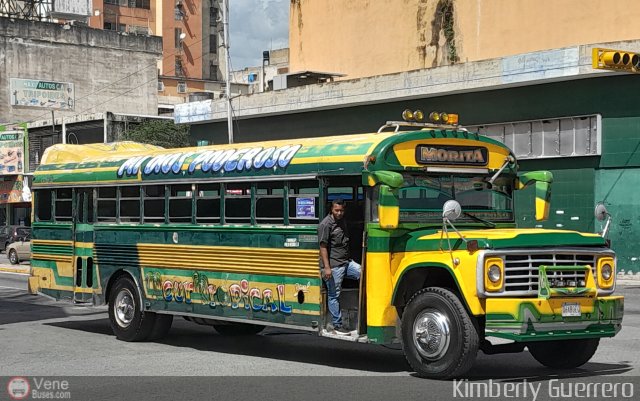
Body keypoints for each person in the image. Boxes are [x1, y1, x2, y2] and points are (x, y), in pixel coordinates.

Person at [318, 198, 361, 334]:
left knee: (363, 274)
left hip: (346, 262)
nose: (339, 213)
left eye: (341, 210)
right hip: (334, 265)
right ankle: (337, 323)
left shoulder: (342, 221)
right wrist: (327, 267)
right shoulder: (326, 224)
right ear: (332, 209)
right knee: (333, 294)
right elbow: (323, 247)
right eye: (337, 210)